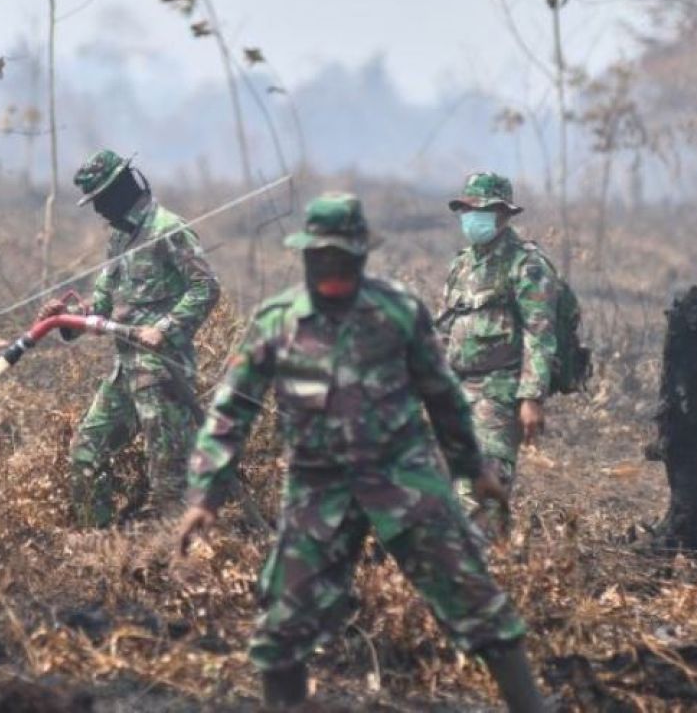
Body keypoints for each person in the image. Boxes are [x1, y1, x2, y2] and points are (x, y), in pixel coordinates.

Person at [176, 193, 546, 711]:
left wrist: (472, 467)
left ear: (360, 254)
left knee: (479, 606)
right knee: (282, 626)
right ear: (306, 254)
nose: (330, 266)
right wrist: (206, 495)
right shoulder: (277, 320)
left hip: (405, 483)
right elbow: (231, 411)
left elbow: (442, 394)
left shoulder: (398, 312)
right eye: (320, 255)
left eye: (341, 256)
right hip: (317, 491)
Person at [36, 149, 220, 528]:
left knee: (170, 483)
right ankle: (99, 547)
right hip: (126, 373)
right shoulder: (119, 239)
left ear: (122, 188)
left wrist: (165, 327)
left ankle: (185, 565)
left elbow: (206, 287)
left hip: (164, 375)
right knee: (86, 453)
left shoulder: (168, 229)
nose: (99, 210)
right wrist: (66, 320)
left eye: (102, 200)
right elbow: (102, 305)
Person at [437, 172, 558, 535]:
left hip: (499, 390)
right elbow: (445, 328)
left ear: (504, 214)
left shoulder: (526, 265)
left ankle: (485, 569)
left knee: (484, 483)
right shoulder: (461, 265)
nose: (474, 216)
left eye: (484, 209)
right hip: (457, 389)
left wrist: (531, 398)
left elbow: (540, 333)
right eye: (468, 209)